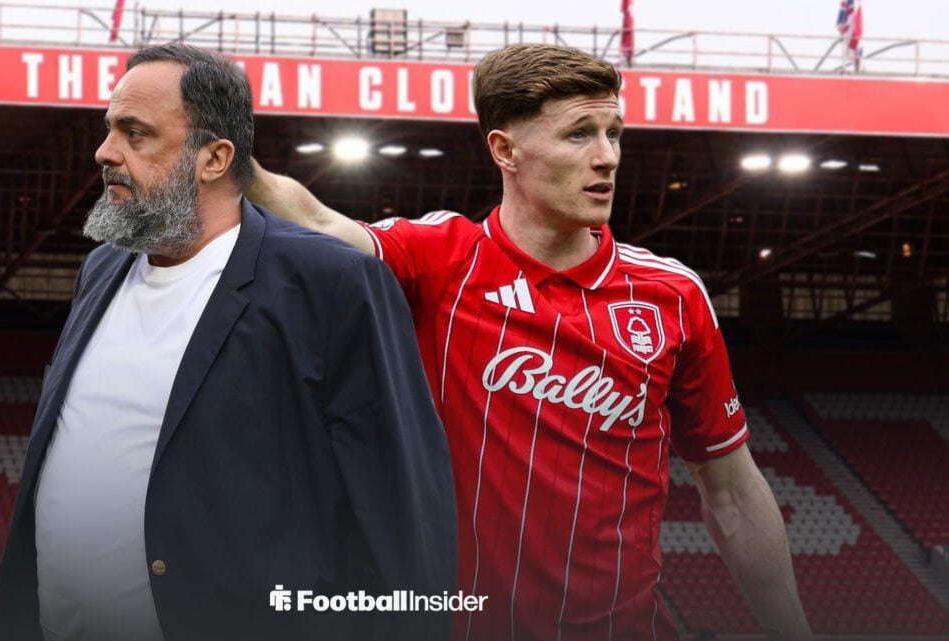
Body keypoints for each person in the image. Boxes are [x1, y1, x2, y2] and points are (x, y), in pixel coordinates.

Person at [248, 44, 812, 641]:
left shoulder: (672, 295)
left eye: (613, 132)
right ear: (505, 150)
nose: (607, 157)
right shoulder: (442, 260)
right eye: (579, 135)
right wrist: (216, 137)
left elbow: (731, 492)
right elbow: (313, 222)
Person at [0, 44, 458, 641]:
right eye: (109, 130)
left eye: (135, 133)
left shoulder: (331, 283)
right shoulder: (102, 269)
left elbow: (403, 509)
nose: (105, 152)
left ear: (215, 157)